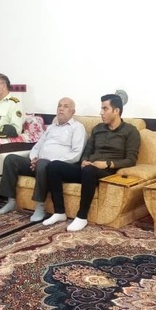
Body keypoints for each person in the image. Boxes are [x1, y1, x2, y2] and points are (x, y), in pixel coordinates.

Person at [43, 93, 140, 232]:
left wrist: (107, 164)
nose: (101, 112)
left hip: (107, 172)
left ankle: (81, 217)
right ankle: (59, 212)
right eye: (101, 108)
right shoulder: (98, 128)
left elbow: (131, 160)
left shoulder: (130, 131)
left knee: (89, 171)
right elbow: (87, 150)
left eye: (105, 109)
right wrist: (84, 160)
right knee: (54, 166)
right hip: (88, 168)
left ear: (116, 111)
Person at [0, 97, 86, 221]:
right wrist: (34, 158)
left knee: (43, 163)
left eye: (65, 106)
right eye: (59, 106)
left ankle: (40, 206)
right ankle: (10, 201)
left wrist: (51, 162)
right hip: (38, 163)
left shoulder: (77, 128)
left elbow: (76, 154)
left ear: (73, 112)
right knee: (11, 159)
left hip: (54, 166)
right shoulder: (51, 127)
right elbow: (37, 146)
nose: (61, 109)